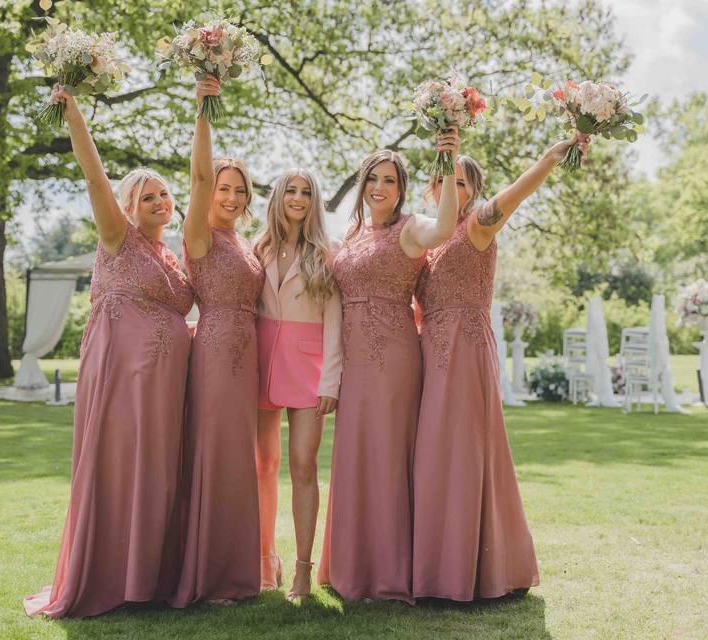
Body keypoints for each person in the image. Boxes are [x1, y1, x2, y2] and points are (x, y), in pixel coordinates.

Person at [24, 84, 194, 618]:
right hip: (122, 371)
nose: (161, 203)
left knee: (160, 470)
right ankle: (110, 577)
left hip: (167, 381)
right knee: (121, 464)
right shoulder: (116, 235)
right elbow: (94, 174)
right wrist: (74, 112)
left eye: (165, 195)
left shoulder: (174, 253)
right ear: (126, 206)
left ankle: (151, 577)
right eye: (149, 197)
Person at [412, 133, 590, 601]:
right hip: (429, 349)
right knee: (433, 452)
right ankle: (434, 566)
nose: (451, 187)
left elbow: (518, 191)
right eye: (443, 179)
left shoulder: (477, 225)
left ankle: (473, 571)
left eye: (461, 180)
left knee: (467, 450)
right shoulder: (427, 237)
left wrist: (550, 156)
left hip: (467, 348)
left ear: (474, 188)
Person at [317, 134, 460, 603]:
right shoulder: (350, 238)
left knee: (389, 454)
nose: (380, 187)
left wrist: (449, 157)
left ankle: (391, 569)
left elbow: (445, 228)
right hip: (354, 362)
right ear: (362, 186)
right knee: (356, 454)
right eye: (373, 179)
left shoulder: (412, 227)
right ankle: (351, 566)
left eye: (390, 181)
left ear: (401, 189)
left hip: (395, 356)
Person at [171, 76, 265, 607]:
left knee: (238, 459)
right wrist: (205, 106)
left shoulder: (243, 240)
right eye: (223, 188)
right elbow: (199, 175)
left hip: (246, 354)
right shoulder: (199, 233)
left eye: (238, 190)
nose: (228, 196)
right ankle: (209, 577)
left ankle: (236, 570)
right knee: (217, 456)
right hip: (214, 351)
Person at [253, 170, 342, 600]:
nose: (299, 197)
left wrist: (332, 379)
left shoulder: (327, 253)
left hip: (309, 371)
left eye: (307, 191)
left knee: (303, 467)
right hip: (260, 366)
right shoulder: (258, 248)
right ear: (278, 196)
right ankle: (263, 561)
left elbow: (335, 320)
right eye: (291, 190)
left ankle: (303, 571)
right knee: (261, 466)